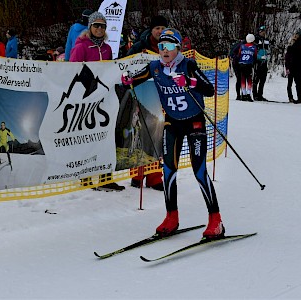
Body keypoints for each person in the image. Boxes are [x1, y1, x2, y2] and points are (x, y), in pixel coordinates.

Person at [121, 28, 225, 239]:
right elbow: (135, 78)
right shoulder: (155, 67)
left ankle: (216, 220)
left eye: (169, 46)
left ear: (178, 48)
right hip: (172, 123)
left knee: (199, 171)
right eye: (161, 46)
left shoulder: (188, 65)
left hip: (194, 123)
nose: (164, 50)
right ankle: (172, 217)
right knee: (168, 171)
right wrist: (127, 79)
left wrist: (189, 82)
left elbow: (209, 89)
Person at [69, 11, 125, 192]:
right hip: (85, 100)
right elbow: (71, 73)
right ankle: (85, 177)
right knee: (87, 137)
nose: (100, 29)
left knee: (106, 137)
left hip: (104, 99)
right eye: (96, 25)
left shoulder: (107, 49)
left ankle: (105, 177)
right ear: (90, 27)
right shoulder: (81, 46)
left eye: (103, 26)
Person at [125, 15, 168, 191]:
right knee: (139, 134)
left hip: (160, 97)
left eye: (162, 28)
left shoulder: (168, 47)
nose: (160, 31)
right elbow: (125, 64)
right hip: (141, 95)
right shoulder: (140, 46)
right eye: (157, 28)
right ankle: (137, 175)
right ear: (151, 30)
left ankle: (155, 177)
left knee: (158, 134)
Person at [253, 25, 271, 101]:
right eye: (262, 31)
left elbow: (268, 49)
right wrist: (260, 57)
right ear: (259, 32)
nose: (263, 33)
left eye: (264, 31)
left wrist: (268, 54)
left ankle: (260, 95)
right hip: (257, 62)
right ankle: (255, 95)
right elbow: (254, 51)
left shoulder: (266, 40)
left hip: (264, 62)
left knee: (263, 79)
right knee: (256, 79)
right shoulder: (256, 39)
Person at [237, 34, 257, 101]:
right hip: (249, 65)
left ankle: (244, 94)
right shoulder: (254, 47)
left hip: (241, 65)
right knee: (249, 80)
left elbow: (239, 55)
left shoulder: (242, 46)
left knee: (242, 79)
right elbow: (255, 56)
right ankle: (248, 94)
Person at [285, 29, 301, 104]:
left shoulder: (296, 46)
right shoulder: (290, 47)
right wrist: (287, 67)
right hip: (291, 66)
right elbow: (287, 58)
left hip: (297, 66)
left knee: (297, 83)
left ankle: (299, 97)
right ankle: (290, 97)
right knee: (290, 83)